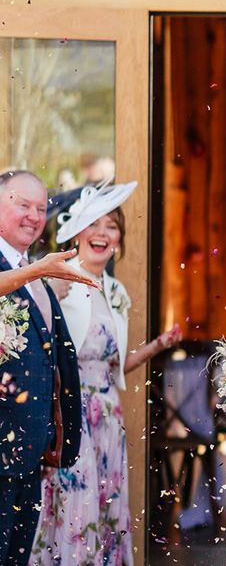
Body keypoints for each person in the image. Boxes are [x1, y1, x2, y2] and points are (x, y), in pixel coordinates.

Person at [31, 181, 182, 565]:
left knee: (107, 503)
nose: (102, 233)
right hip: (69, 414)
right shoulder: (58, 278)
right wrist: (53, 298)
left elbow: (116, 367)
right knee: (75, 508)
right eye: (94, 224)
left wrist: (159, 345)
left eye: (112, 225)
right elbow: (42, 353)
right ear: (77, 231)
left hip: (108, 416)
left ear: (119, 239)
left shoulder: (116, 292)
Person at [0, 170, 82, 565]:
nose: (34, 215)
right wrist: (38, 271)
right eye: (22, 204)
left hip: (32, 449)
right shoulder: (30, 271)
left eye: (41, 207)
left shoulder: (38, 273)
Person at [0, 248, 100, 298]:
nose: (34, 217)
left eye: (42, 210)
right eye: (24, 206)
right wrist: (41, 269)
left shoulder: (30, 258)